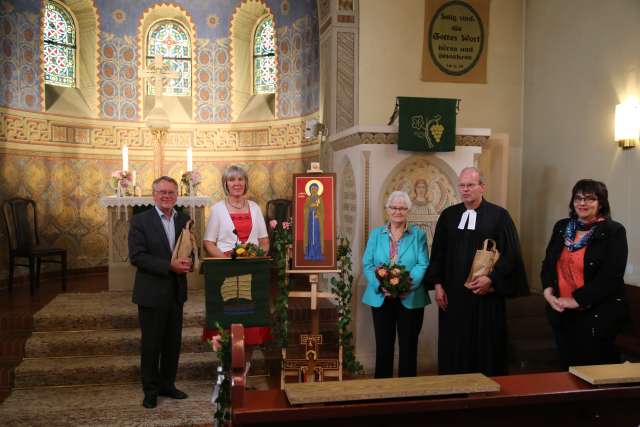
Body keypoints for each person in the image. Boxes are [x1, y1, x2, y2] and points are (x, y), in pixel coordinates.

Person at [425, 167, 528, 376]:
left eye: (470, 185)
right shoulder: (448, 216)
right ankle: (452, 387)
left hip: (485, 296)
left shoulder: (499, 216)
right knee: (454, 343)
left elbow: (511, 254)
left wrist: (491, 279)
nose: (465, 190)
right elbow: (438, 254)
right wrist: (437, 286)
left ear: (482, 187)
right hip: (453, 296)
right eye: (462, 185)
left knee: (486, 344)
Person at [540, 179, 628, 369]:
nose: (582, 203)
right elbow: (548, 264)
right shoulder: (562, 227)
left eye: (590, 199)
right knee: (567, 371)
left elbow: (610, 277)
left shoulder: (613, 231)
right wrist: (548, 292)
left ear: (601, 203)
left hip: (596, 317)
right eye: (578, 198)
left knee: (594, 374)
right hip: (562, 314)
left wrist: (576, 300)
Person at [128, 176, 192, 409]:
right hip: (151, 293)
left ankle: (168, 384)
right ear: (153, 195)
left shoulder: (184, 219)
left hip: (176, 291)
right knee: (152, 344)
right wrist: (169, 266)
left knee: (172, 343)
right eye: (162, 192)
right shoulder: (140, 221)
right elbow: (137, 256)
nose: (167, 196)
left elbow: (189, 249)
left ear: (177, 195)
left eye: (171, 193)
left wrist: (189, 262)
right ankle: (151, 390)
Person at [362, 191, 430, 378]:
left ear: (408, 210)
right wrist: (380, 285)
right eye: (394, 207)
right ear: (387, 209)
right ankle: (382, 391)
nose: (397, 211)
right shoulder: (376, 235)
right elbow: (367, 264)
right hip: (380, 297)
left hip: (410, 297)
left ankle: (407, 393)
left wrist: (404, 286)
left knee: (408, 347)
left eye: (402, 208)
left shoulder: (418, 236)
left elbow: (422, 263)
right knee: (383, 346)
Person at [204, 165, 269, 257]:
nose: (237, 183)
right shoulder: (217, 209)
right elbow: (208, 243)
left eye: (240, 179)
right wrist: (226, 262)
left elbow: (264, 241)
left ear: (245, 183)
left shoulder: (255, 208)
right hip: (226, 264)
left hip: (252, 261)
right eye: (232, 180)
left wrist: (257, 258)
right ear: (225, 184)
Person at [304, 182, 324, 260]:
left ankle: (317, 253)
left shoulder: (320, 199)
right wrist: (309, 208)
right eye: (312, 189)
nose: (314, 190)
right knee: (310, 236)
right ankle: (310, 253)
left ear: (318, 189)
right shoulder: (308, 199)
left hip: (316, 221)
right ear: (310, 190)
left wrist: (318, 214)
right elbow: (305, 210)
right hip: (310, 220)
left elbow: (322, 210)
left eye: (315, 188)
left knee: (316, 236)